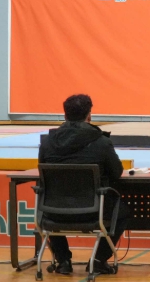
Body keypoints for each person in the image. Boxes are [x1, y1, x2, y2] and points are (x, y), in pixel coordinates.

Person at [38, 94, 127, 275]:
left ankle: (63, 261)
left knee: (47, 204)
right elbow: (116, 172)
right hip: (93, 211)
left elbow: (42, 174)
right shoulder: (101, 142)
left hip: (54, 212)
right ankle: (98, 259)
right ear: (89, 116)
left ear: (65, 116)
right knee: (123, 211)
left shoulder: (47, 143)